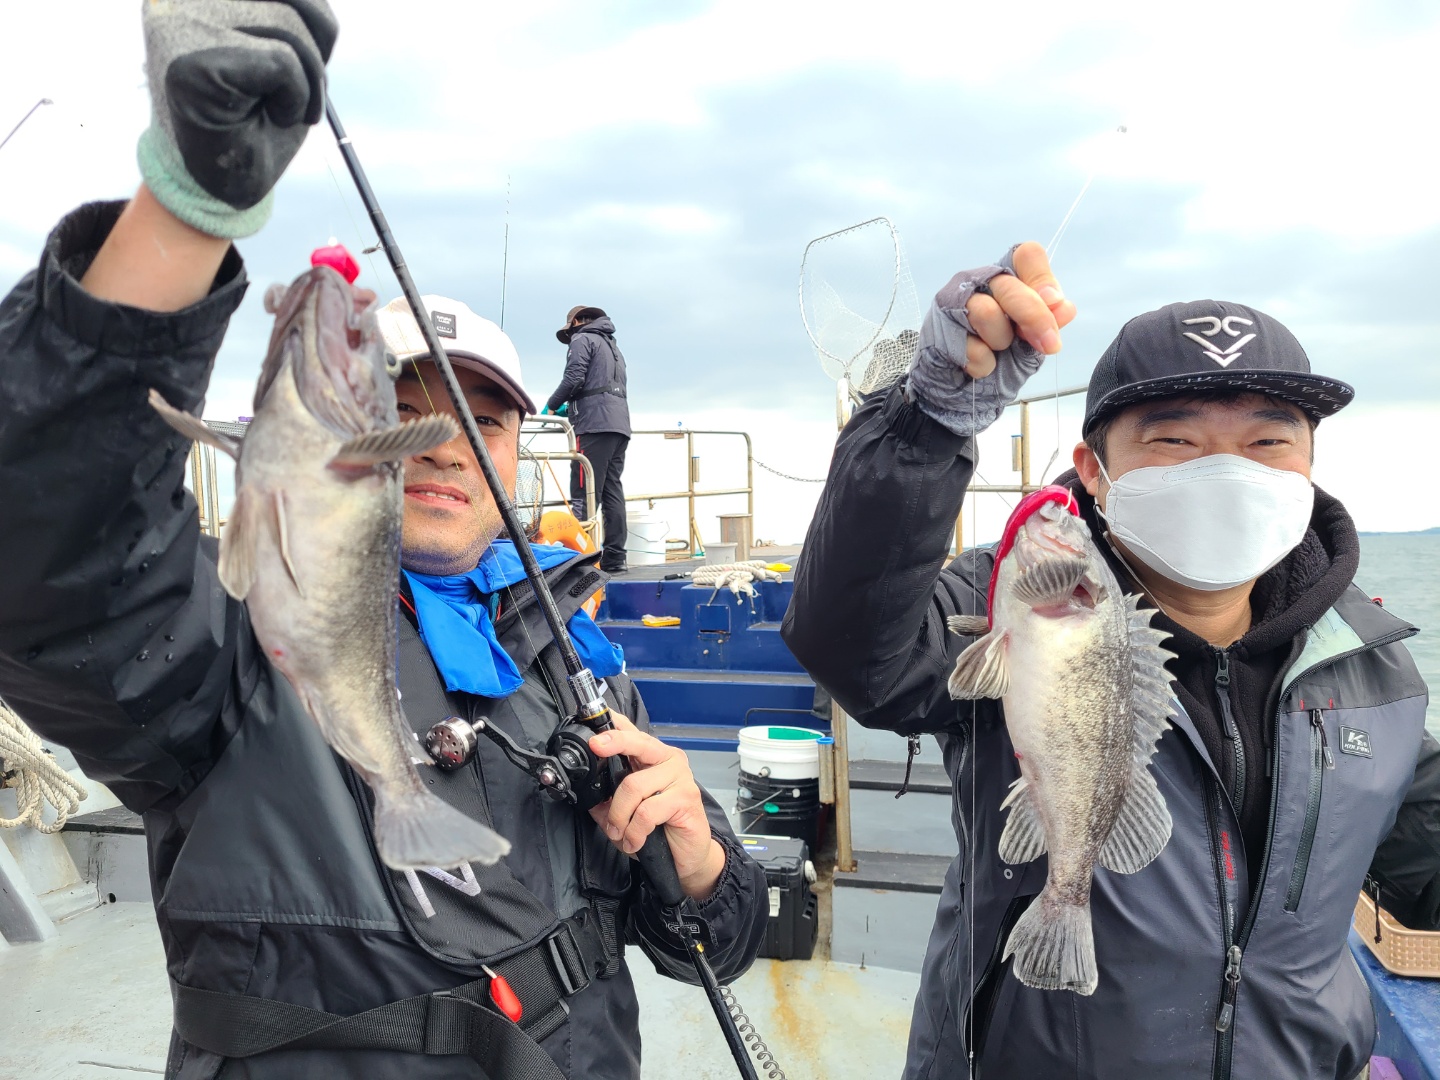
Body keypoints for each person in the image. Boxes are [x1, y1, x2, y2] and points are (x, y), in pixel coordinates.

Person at [0, 4, 766, 1078]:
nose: (446, 444)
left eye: (483, 419)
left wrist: (703, 863)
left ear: (516, 455)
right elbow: (53, 542)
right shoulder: (229, 653)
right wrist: (188, 202)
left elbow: (715, 941)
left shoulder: (571, 658)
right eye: (407, 411)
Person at [782, 243, 1440, 1080]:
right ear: (1093, 471)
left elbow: (1421, 855)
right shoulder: (1012, 596)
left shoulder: (1373, 665)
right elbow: (855, 649)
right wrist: (925, 423)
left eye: (1269, 440)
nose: (1227, 470)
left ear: (1309, 464)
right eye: (1175, 438)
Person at [545, 306, 631, 573]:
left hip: (594, 426)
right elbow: (600, 386)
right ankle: (615, 559)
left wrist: (552, 405)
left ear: (577, 322)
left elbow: (574, 378)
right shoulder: (613, 347)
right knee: (612, 491)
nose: (571, 337)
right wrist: (571, 407)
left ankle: (581, 561)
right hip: (619, 426)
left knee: (584, 490)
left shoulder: (582, 338)